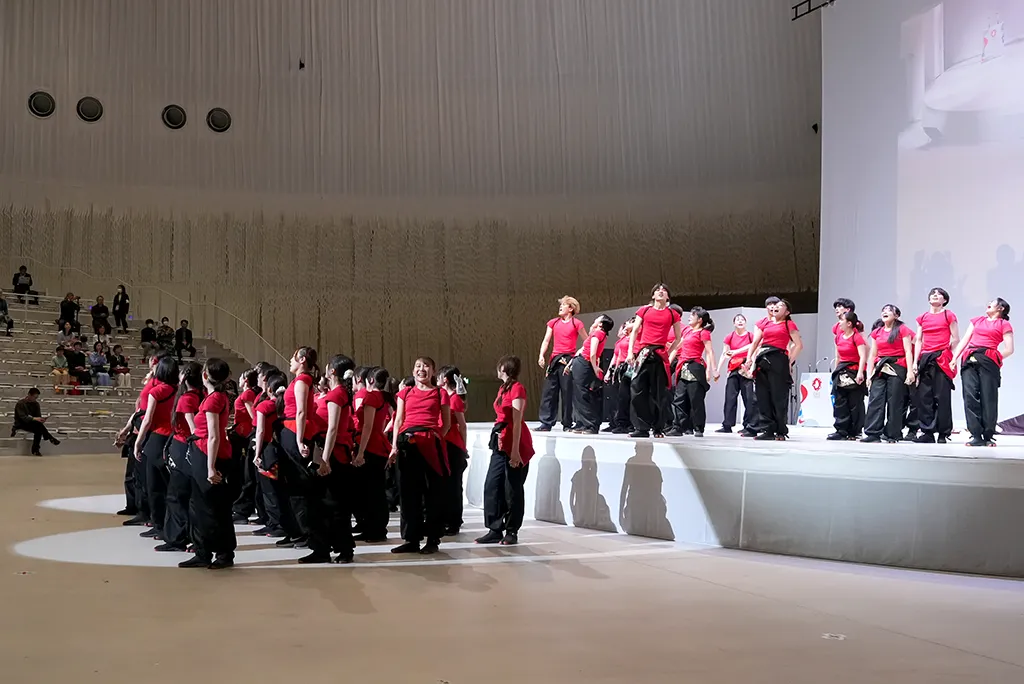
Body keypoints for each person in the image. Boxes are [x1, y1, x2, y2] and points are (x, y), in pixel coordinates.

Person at [390, 356, 451, 555]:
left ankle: (433, 539)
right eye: (417, 366)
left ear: (433, 371)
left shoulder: (440, 393)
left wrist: (434, 437)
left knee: (433, 493)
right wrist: (393, 446)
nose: (421, 369)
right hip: (407, 444)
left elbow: (447, 423)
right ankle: (411, 539)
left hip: (431, 443)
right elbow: (398, 420)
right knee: (408, 494)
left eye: (425, 366)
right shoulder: (405, 392)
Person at [179, 358, 236, 569]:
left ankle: (222, 553)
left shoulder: (213, 400)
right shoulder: (215, 397)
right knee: (199, 506)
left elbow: (213, 436)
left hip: (209, 454)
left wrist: (211, 467)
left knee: (213, 508)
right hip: (203, 452)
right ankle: (202, 550)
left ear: (205, 376)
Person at [305, 354, 358, 564]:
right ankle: (322, 548)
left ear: (332, 372)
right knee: (322, 506)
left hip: (334, 454)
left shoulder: (337, 395)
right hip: (328, 451)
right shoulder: (337, 393)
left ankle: (344, 549)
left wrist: (325, 459)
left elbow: (333, 428)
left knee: (335, 505)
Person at [476, 355, 534, 545]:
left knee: (512, 489)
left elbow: (516, 422)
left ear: (503, 368)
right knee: (492, 485)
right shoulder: (503, 388)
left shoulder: (517, 388)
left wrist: (515, 451)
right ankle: (494, 528)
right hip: (499, 439)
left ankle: (512, 530)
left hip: (513, 440)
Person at [276, 347, 323, 554]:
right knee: (291, 483)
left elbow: (302, 411)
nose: (290, 361)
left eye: (293, 357)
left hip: (296, 431)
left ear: (302, 360)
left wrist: (299, 439)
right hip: (290, 430)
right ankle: (296, 529)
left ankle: (305, 531)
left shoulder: (303, 380)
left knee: (299, 484)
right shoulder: (299, 380)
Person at [951, 298, 1014, 447]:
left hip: (988, 359)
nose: (989, 303)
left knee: (988, 397)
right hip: (970, 357)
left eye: (993, 302)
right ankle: (976, 434)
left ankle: (988, 434)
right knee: (970, 396)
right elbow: (965, 340)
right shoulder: (977, 320)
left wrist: (995, 357)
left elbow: (1009, 349)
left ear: (1001, 308)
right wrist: (954, 358)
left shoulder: (1004, 324)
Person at [157, 362, 204, 552]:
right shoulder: (203, 396)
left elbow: (194, 429)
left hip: (183, 446)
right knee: (190, 496)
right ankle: (190, 536)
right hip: (191, 449)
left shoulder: (186, 399)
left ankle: (177, 538)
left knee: (177, 496)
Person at [626, 283, 684, 439]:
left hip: (659, 355)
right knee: (636, 390)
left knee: (659, 394)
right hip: (643, 354)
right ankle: (641, 427)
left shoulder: (672, 314)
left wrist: (668, 352)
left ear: (667, 297)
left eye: (664, 290)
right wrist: (631, 351)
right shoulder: (644, 310)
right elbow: (635, 331)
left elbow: (678, 338)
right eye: (658, 290)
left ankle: (658, 428)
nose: (660, 292)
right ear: (653, 296)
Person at [744, 297, 804, 441]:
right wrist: (749, 358)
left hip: (778, 358)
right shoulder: (766, 324)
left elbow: (798, 345)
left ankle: (781, 431)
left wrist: (789, 362)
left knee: (778, 397)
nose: (776, 307)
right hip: (763, 359)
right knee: (762, 396)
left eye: (781, 305)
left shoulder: (789, 324)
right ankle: (768, 429)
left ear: (787, 311)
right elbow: (755, 342)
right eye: (775, 305)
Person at [133, 355, 179, 540]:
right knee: (168, 485)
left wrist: (138, 442)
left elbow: (148, 420)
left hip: (157, 438)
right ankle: (168, 525)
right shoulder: (178, 390)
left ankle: (158, 524)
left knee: (154, 486)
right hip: (172, 438)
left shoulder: (157, 391)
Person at [862, 305, 915, 443]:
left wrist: (910, 371)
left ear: (896, 315)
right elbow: (873, 354)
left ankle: (892, 434)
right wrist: (869, 374)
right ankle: (873, 433)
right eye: (883, 310)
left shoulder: (902, 329)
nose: (885, 312)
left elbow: (908, 351)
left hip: (897, 366)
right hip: (880, 367)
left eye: (889, 310)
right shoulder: (877, 332)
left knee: (895, 401)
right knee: (875, 399)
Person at [352, 367, 394, 543]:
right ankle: (375, 527)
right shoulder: (384, 398)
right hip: (379, 443)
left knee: (370, 491)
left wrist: (360, 452)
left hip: (370, 445)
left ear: (369, 381)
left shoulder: (371, 397)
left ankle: (375, 528)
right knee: (375, 489)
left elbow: (367, 426)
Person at [912, 288, 959, 444]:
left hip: (941, 357)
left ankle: (943, 433)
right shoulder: (923, 317)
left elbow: (956, 338)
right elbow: (918, 340)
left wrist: (951, 356)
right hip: (925, 358)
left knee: (942, 397)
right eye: (933, 293)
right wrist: (915, 361)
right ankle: (927, 432)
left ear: (944, 300)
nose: (935, 295)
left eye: (939, 294)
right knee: (924, 397)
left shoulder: (948, 315)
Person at [253, 369, 296, 539]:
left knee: (268, 490)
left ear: (269, 389)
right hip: (280, 450)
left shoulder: (264, 406)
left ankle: (275, 523)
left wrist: (256, 453)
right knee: (279, 489)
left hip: (266, 449)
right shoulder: (284, 405)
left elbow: (260, 431)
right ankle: (279, 522)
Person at [536, 296, 585, 432]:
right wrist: (541, 355)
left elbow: (587, 341)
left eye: (563, 305)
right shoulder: (553, 322)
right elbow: (546, 340)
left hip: (568, 360)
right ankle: (546, 422)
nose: (560, 307)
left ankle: (567, 423)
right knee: (549, 392)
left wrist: (577, 356)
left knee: (567, 392)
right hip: (554, 359)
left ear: (571, 308)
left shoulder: (577, 323)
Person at [438, 365, 469, 535]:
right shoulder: (443, 398)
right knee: (445, 485)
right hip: (444, 443)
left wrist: (463, 447)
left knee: (454, 486)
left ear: (445, 380)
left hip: (453, 445)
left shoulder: (454, 399)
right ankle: (445, 518)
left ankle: (454, 521)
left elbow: (462, 426)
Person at [570, 316, 613, 434]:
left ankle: (590, 425)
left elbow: (593, 353)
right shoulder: (598, 333)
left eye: (597, 319)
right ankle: (583, 423)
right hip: (582, 362)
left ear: (601, 324)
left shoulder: (598, 333)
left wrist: (594, 368)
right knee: (580, 394)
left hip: (585, 362)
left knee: (583, 394)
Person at [828, 312, 867, 440]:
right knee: (840, 402)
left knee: (855, 403)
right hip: (841, 370)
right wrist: (835, 372)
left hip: (854, 370)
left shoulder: (856, 337)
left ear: (849, 323)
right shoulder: (838, 337)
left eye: (841, 320)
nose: (839, 323)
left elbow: (863, 356)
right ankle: (841, 430)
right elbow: (838, 356)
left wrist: (861, 372)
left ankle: (854, 431)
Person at [716, 314, 756, 435]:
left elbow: (754, 349)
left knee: (749, 398)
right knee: (730, 397)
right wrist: (718, 370)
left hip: (746, 367)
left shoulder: (750, 336)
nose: (740, 321)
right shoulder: (729, 336)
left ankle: (748, 425)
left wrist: (751, 368)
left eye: (742, 319)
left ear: (745, 323)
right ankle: (727, 424)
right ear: (734, 323)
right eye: (737, 320)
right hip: (733, 367)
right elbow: (725, 353)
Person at [230, 370, 261, 525]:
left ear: (246, 380)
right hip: (241, 433)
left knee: (245, 473)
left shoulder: (247, 394)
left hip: (244, 435)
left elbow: (253, 415)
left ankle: (242, 508)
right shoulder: (248, 393)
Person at [605, 317, 637, 434]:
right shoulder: (622, 339)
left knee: (629, 396)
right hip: (621, 368)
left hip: (631, 366)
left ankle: (630, 423)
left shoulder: (636, 337)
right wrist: (611, 371)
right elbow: (616, 355)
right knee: (621, 397)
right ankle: (619, 422)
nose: (626, 325)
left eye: (629, 323)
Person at [11, 389, 60, 456]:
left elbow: (38, 416)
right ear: (29, 395)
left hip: (32, 423)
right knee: (38, 427)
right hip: (21, 423)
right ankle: (48, 439)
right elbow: (23, 417)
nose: (35, 399)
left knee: (38, 428)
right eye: (34, 397)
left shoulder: (36, 404)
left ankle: (38, 447)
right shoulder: (20, 404)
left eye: (36, 397)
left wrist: (41, 419)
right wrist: (35, 419)